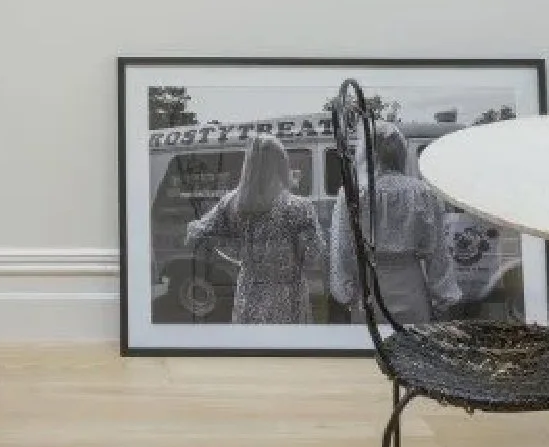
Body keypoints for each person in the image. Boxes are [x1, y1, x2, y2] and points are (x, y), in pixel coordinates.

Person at [329, 116, 464, 325]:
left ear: (365, 153)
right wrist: (443, 297)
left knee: (371, 352)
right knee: (412, 350)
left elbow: (343, 250)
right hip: (411, 287)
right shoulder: (423, 193)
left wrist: (346, 293)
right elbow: (437, 252)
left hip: (369, 291)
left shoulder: (352, 194)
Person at [183, 132, 324, 324]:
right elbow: (315, 255)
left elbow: (197, 233)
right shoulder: (298, 207)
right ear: (282, 164)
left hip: (249, 292)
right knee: (288, 350)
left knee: (253, 349)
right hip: (288, 295)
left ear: (249, 165)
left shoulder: (233, 202)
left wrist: (233, 253)